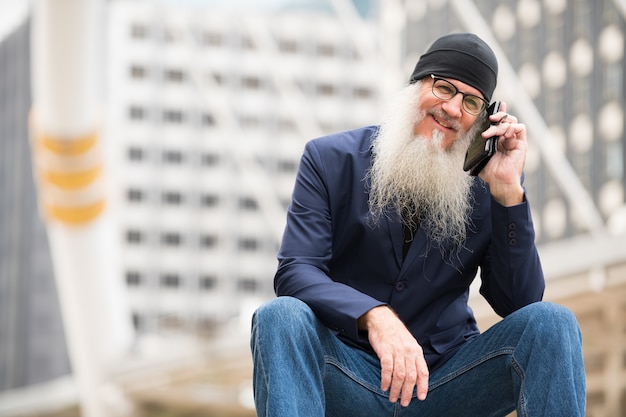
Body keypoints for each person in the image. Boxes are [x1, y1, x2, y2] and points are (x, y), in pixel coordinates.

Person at [250, 32, 586, 417]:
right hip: (348, 374)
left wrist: (508, 193)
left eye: (471, 102)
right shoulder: (329, 160)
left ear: (482, 118)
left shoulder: (488, 184)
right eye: (444, 88)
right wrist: (374, 317)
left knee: (551, 323)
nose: (453, 108)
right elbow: (296, 271)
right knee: (279, 317)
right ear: (416, 87)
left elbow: (520, 304)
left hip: (445, 384)